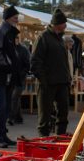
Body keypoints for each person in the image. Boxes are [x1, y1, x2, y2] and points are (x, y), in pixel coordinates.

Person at [31, 9, 73, 137]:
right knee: (45, 115)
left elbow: (64, 62)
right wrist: (43, 80)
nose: (65, 25)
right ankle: (43, 139)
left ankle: (60, 136)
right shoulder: (43, 37)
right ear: (57, 24)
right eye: (64, 23)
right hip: (47, 83)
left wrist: (68, 79)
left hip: (62, 82)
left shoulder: (60, 39)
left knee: (63, 113)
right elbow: (35, 61)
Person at [0, 6, 20, 147]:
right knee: (0, 107)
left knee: (5, 107)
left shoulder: (8, 31)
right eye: (15, 17)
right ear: (8, 18)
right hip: (0, 75)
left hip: (7, 75)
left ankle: (2, 135)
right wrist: (8, 66)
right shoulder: (2, 30)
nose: (17, 20)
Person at [9, 41, 31, 126]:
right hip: (12, 78)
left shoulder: (23, 50)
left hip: (20, 78)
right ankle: (18, 118)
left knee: (14, 97)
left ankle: (11, 118)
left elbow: (27, 64)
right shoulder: (10, 48)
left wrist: (22, 73)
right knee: (15, 98)